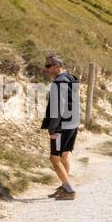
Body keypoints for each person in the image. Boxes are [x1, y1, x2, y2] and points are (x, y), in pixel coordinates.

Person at [40, 55, 79, 201]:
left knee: (54, 158)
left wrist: (52, 128)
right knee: (64, 155)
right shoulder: (70, 78)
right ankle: (64, 186)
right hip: (73, 122)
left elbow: (57, 107)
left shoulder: (58, 82)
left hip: (61, 126)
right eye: (46, 65)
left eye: (49, 66)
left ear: (57, 66)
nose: (46, 68)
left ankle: (69, 190)